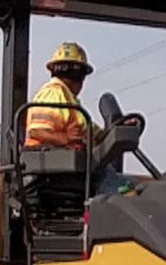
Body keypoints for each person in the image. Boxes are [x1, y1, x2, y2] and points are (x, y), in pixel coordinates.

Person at [26, 42, 134, 195]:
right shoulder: (53, 94)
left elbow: (96, 135)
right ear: (77, 74)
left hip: (75, 168)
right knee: (125, 191)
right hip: (56, 173)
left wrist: (119, 128)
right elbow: (36, 132)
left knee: (124, 184)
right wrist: (65, 138)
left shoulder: (71, 101)